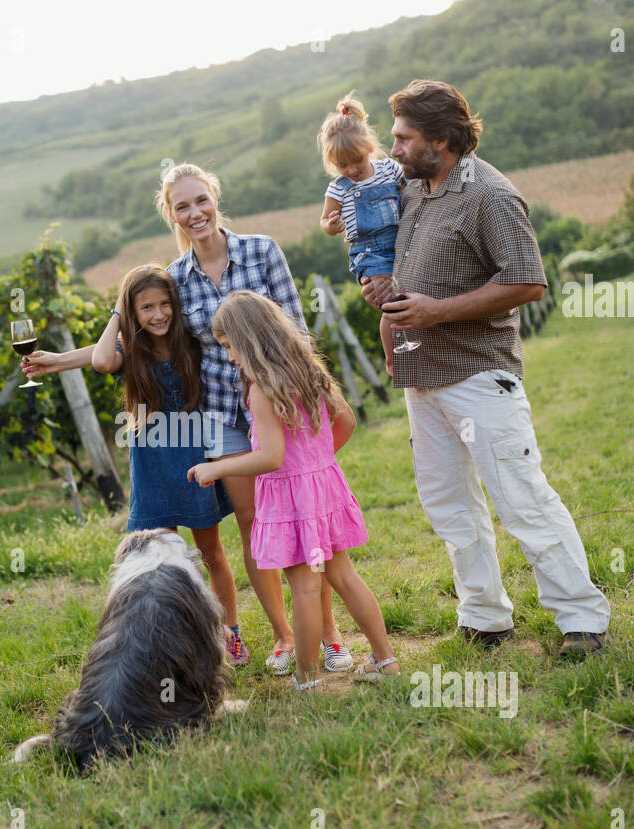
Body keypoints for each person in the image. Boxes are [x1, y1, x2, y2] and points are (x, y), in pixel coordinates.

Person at [362, 79, 610, 659]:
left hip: (478, 376)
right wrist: (391, 293)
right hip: (420, 379)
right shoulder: (416, 188)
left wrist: (433, 311)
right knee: (449, 504)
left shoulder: (492, 195)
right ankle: (484, 616)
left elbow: (526, 280)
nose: (392, 149)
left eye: (402, 138)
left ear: (441, 140)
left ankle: (581, 619)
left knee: (522, 498)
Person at [155, 162, 352, 675]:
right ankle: (286, 636)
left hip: (279, 405)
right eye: (182, 206)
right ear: (171, 215)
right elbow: (145, 332)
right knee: (256, 525)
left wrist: (319, 397)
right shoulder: (174, 279)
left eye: (201, 200)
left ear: (215, 198)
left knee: (304, 520)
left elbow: (296, 330)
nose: (194, 212)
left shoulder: (262, 250)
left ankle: (328, 634)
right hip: (222, 412)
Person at [20, 265, 242, 654]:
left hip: (193, 453)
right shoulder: (131, 350)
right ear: (131, 314)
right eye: (145, 308)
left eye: (164, 304)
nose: (158, 314)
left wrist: (58, 360)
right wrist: (117, 315)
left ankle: (231, 634)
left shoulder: (188, 341)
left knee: (210, 553)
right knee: (166, 561)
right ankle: (186, 643)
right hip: (152, 461)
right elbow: (103, 360)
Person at [187, 291, 401, 690]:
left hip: (291, 499)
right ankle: (385, 658)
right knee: (345, 576)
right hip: (324, 487)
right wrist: (316, 461)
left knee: (303, 586)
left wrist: (216, 468)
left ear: (247, 340)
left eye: (231, 347)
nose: (231, 357)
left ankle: (306, 679)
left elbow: (269, 457)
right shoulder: (309, 369)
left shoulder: (261, 389)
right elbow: (348, 421)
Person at [318, 91, 407, 343]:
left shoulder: (389, 168)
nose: (352, 170)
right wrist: (331, 225)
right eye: (343, 166)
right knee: (390, 300)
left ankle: (416, 344)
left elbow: (411, 189)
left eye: (357, 160)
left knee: (409, 292)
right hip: (370, 252)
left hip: (400, 240)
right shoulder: (338, 188)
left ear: (369, 146)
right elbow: (324, 221)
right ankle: (394, 356)